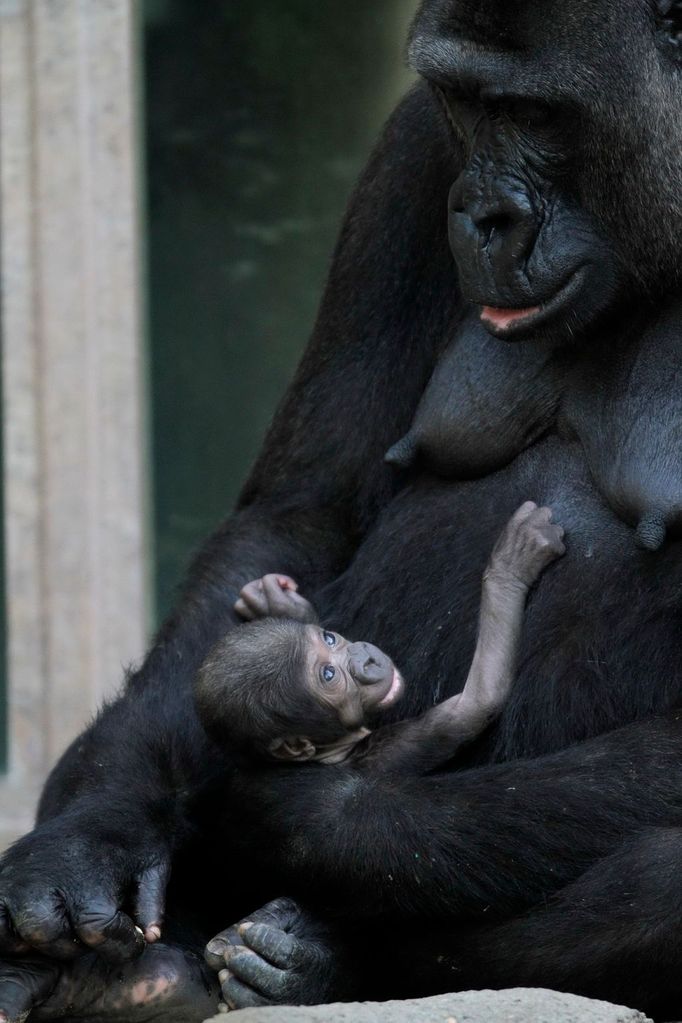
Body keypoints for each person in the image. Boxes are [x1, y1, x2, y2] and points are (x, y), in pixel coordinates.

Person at [194, 502, 565, 773]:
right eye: (329, 675)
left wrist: (296, 621)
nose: (362, 656)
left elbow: (304, 678)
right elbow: (476, 705)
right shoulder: (370, 765)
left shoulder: (316, 735)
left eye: (330, 638)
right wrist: (506, 577)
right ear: (297, 747)